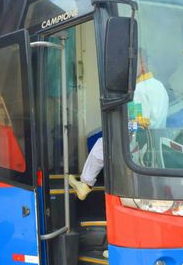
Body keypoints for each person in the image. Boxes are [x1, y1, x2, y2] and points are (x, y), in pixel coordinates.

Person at [68, 54, 169, 200]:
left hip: (139, 142)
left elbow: (138, 123)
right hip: (154, 142)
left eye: (134, 65)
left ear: (143, 65)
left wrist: (119, 125)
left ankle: (85, 184)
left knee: (101, 145)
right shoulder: (161, 88)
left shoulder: (138, 90)